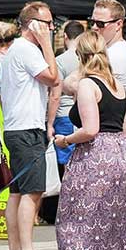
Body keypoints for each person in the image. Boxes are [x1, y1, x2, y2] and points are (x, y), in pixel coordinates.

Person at [44, 31, 126, 250]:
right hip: (121, 158)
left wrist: (64, 140)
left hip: (95, 159)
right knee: (111, 230)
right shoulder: (118, 87)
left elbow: (89, 129)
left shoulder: (88, 85)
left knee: (74, 225)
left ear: (80, 56)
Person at [0, 2, 60, 250]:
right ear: (33, 24)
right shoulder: (27, 49)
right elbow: (53, 77)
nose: (51, 28)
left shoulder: (16, 50)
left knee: (18, 192)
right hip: (26, 129)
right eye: (47, 24)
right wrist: (47, 44)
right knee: (32, 192)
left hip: (17, 127)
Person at [51, 21, 87, 167]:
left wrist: (49, 122)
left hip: (63, 114)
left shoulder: (59, 61)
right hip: (83, 114)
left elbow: (55, 94)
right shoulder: (88, 59)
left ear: (65, 36)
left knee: (65, 162)